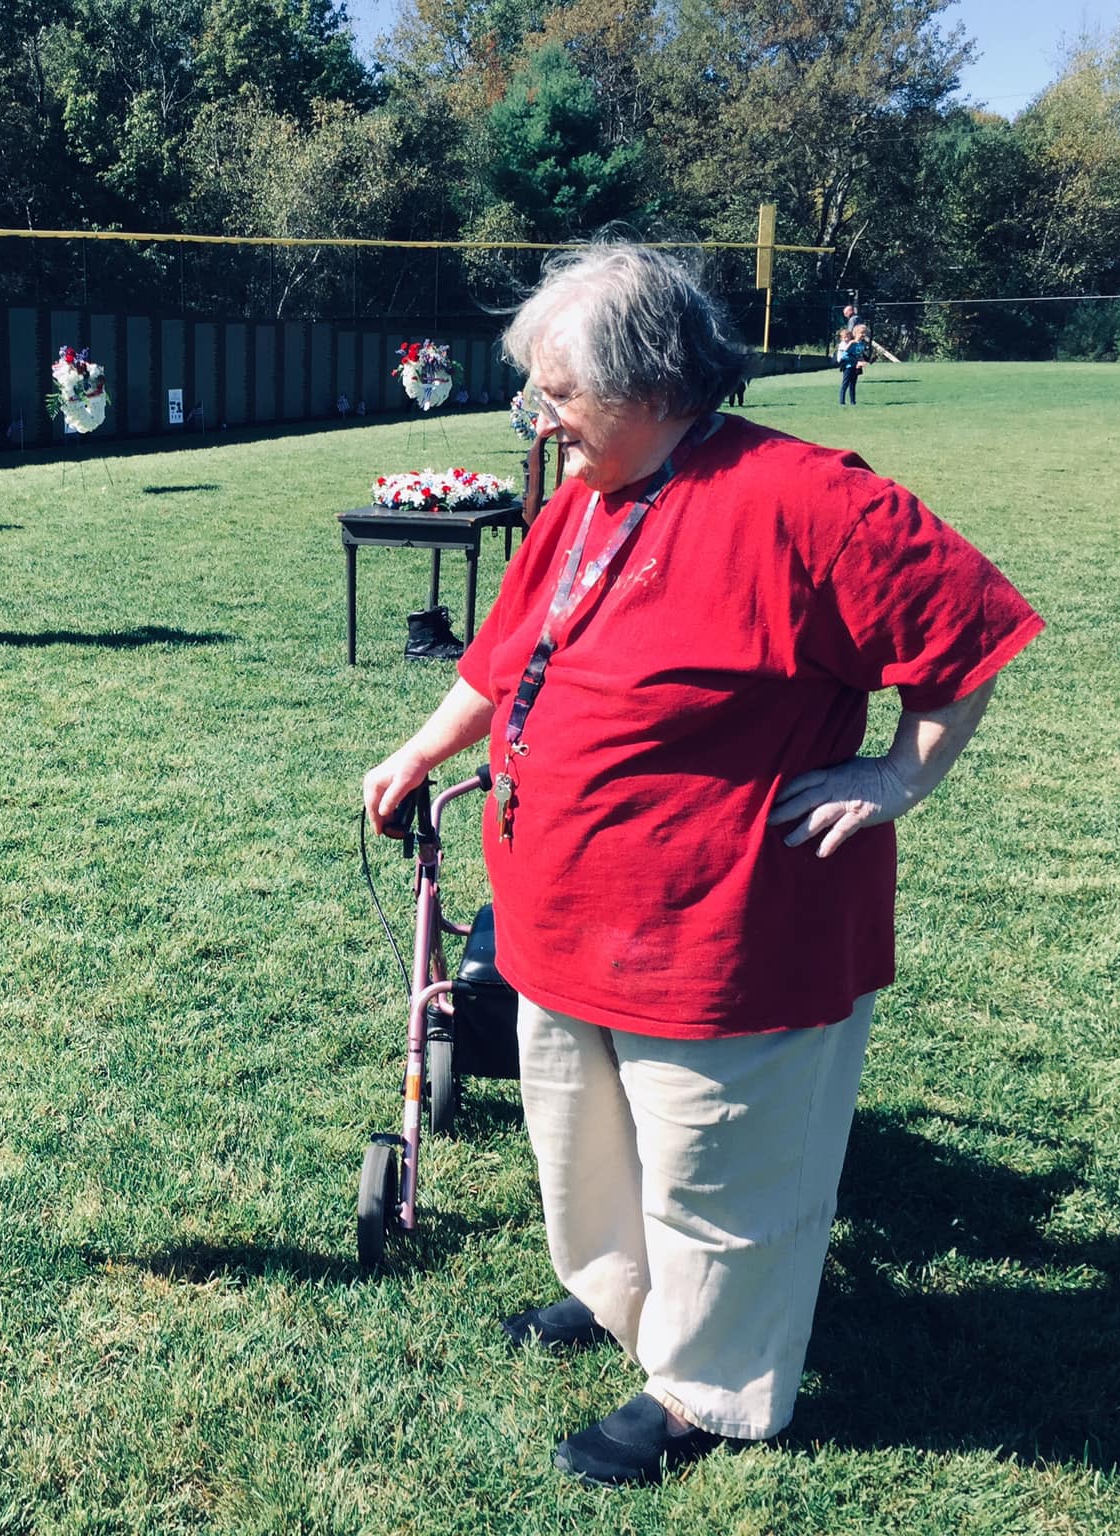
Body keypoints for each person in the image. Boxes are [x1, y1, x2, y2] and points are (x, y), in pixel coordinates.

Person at [361, 243, 1041, 1486]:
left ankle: (702, 1389)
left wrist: (896, 779)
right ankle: (620, 1298)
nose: (536, 418)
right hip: (562, 916)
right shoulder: (582, 498)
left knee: (717, 1166)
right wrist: (419, 748)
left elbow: (965, 636)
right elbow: (501, 661)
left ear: (654, 381)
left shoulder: (812, 501)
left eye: (558, 392)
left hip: (724, 930)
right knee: (583, 1138)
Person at [839, 325, 871, 405]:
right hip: (848, 366)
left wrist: (863, 361)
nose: (863, 335)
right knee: (845, 384)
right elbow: (845, 356)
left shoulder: (862, 344)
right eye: (861, 333)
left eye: (865, 333)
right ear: (856, 333)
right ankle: (842, 402)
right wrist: (857, 361)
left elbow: (859, 355)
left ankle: (853, 402)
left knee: (853, 384)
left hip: (856, 367)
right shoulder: (852, 343)